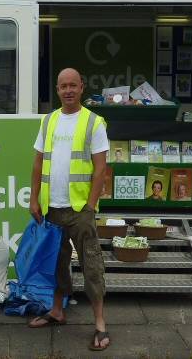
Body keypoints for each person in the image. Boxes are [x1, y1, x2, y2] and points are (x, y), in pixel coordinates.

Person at [28, 68, 111, 351]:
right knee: (56, 264)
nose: (68, 91)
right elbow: (38, 163)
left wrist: (90, 206)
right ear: (57, 89)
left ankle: (100, 324)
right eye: (63, 86)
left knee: (91, 266)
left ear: (82, 87)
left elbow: (101, 169)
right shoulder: (49, 120)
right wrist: (34, 200)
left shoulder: (93, 122)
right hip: (53, 209)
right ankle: (57, 311)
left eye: (73, 85)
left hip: (80, 210)